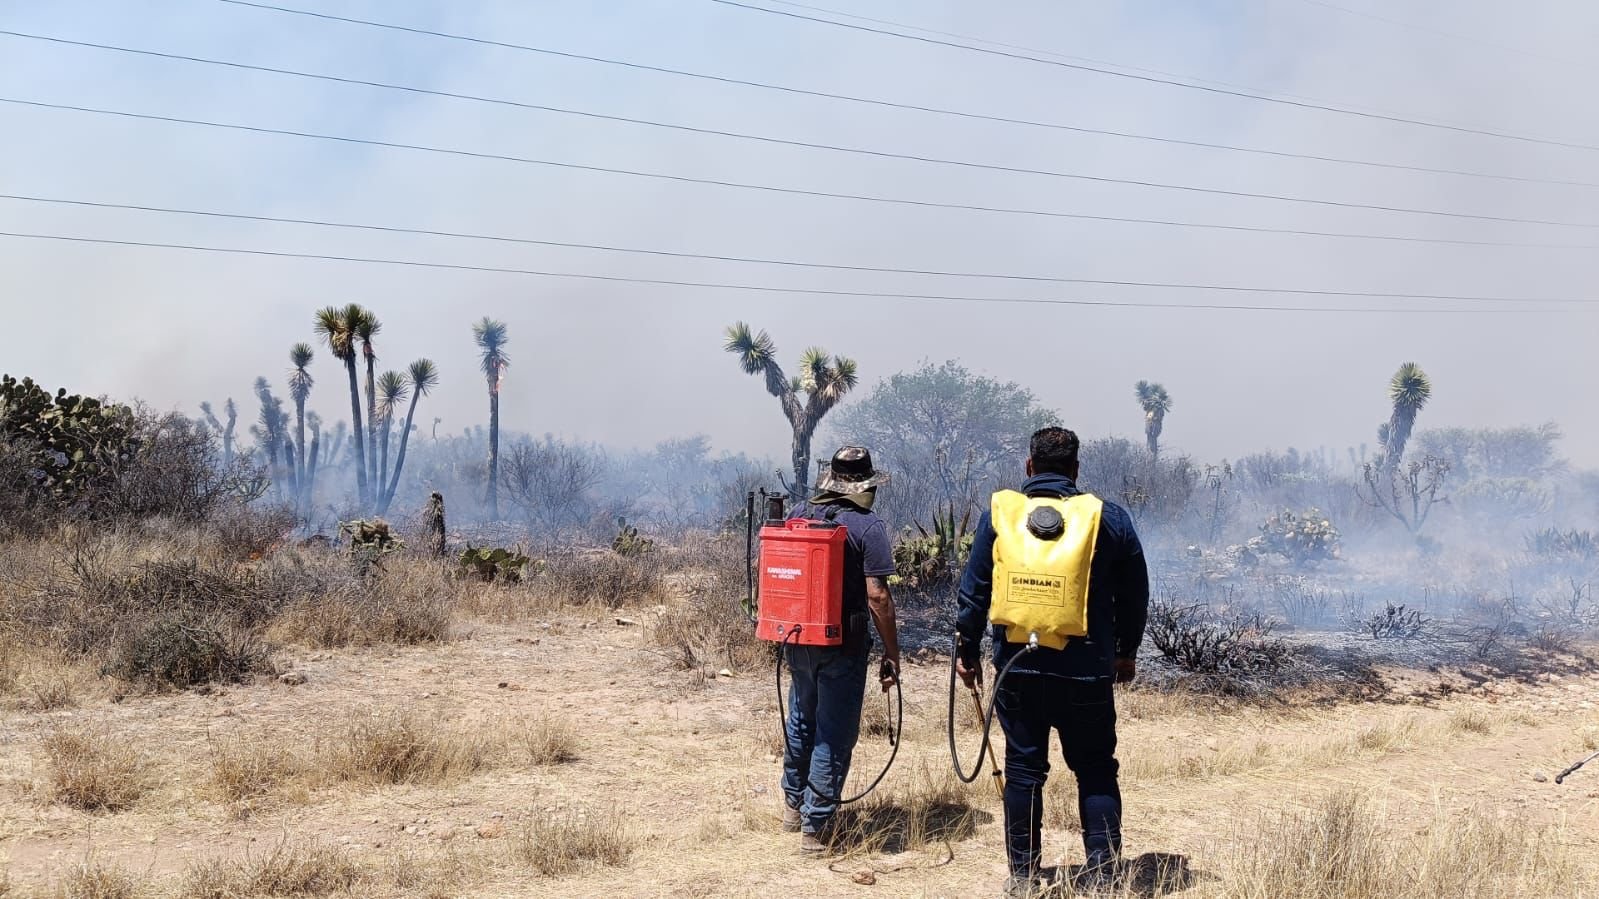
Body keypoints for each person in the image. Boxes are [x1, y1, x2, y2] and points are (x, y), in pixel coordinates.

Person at [955, 427, 1149, 897]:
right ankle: (1103, 874)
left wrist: (967, 651)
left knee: (1024, 771)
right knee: (1096, 769)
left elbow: (974, 591)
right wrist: (1126, 652)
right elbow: (1136, 593)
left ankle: (1023, 877)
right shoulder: (1110, 519)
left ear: (1029, 467)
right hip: (1086, 672)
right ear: (1077, 469)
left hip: (1018, 668)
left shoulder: (1000, 516)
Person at [781, 445, 901, 852]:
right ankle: (816, 829)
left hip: (797, 639)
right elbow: (878, 596)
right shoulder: (868, 526)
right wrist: (892, 652)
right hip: (844, 644)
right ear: (866, 483)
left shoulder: (798, 514)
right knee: (834, 733)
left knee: (801, 718)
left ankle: (792, 808)